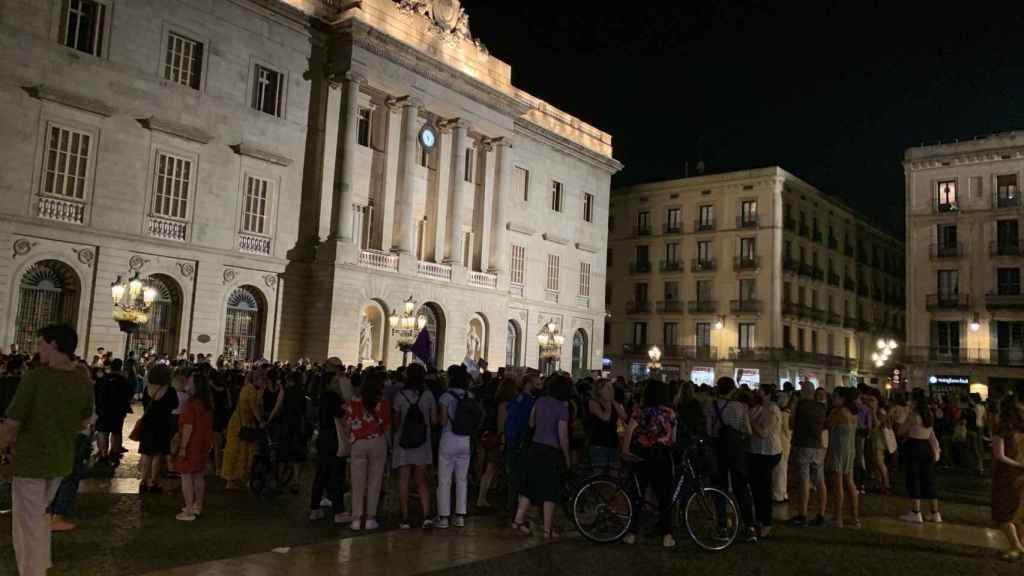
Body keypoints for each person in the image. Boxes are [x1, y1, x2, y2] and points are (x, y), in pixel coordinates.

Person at [0, 325, 93, 576]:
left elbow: (12, 422)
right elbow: (86, 419)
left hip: (31, 460)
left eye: (41, 344)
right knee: (39, 517)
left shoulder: (37, 377)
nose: (38, 349)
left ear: (53, 345)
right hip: (61, 459)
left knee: (26, 523)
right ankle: (40, 565)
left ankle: (33, 571)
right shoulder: (82, 379)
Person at [512, 374, 571, 539]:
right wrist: (567, 456)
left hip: (535, 449)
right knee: (550, 491)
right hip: (551, 452)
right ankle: (547, 529)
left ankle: (518, 520)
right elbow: (563, 436)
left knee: (529, 486)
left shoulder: (540, 401)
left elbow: (531, 423)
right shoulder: (562, 408)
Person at [621, 379, 677, 547]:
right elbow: (673, 439)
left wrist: (625, 450)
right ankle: (667, 535)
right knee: (664, 498)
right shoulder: (670, 413)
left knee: (637, 495)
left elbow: (629, 431)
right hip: (662, 457)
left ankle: (632, 533)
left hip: (642, 456)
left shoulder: (640, 411)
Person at [707, 376, 756, 541]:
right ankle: (749, 526)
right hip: (736, 450)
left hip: (718, 449)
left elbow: (709, 431)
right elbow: (748, 430)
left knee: (719, 487)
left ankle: (722, 526)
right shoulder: (740, 407)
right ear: (733, 389)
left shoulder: (711, 406)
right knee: (741, 488)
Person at [391, 363, 436, 529]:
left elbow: (396, 422)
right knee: (421, 480)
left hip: (403, 443)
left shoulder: (400, 396)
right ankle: (426, 516)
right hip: (423, 443)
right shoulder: (428, 395)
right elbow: (434, 421)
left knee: (403, 480)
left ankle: (405, 518)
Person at [348, 372, 389, 530]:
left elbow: (349, 423)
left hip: (358, 442)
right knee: (375, 481)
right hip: (377, 441)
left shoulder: (354, 402)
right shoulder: (383, 403)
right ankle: (371, 517)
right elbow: (386, 426)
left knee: (357, 482)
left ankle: (356, 519)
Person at [435, 365, 476, 528]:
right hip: (465, 440)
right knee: (462, 479)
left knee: (444, 479)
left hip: (449, 439)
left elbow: (443, 421)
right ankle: (460, 516)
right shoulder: (470, 395)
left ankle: (444, 517)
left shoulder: (445, 397)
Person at [309, 372, 350, 525]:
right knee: (337, 475)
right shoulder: (333, 397)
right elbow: (341, 414)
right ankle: (339, 511)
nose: (337, 383)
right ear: (329, 383)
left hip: (324, 438)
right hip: (335, 439)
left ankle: (314, 508)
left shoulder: (321, 397)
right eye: (334, 381)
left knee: (322, 474)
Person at [175, 371, 214, 521]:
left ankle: (189, 510)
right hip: (203, 443)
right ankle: (198, 505)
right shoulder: (207, 403)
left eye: (190, 381)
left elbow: (188, 427)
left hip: (192, 444)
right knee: (198, 476)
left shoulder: (191, 404)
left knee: (186, 476)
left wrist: (183, 447)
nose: (187, 383)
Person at [898, 389, 941, 524]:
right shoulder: (929, 414)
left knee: (914, 479)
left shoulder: (914, 415)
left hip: (914, 447)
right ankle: (935, 512)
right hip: (927, 448)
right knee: (929, 479)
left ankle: (916, 512)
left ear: (914, 400)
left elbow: (901, 431)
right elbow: (931, 434)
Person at [789, 382, 828, 527]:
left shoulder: (801, 405)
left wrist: (794, 404)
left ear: (804, 392)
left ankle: (802, 514)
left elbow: (790, 424)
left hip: (803, 445)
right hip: (818, 446)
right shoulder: (821, 407)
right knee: (820, 480)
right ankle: (821, 514)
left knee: (804, 480)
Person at [991, 393, 1024, 561]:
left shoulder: (1002, 427)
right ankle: (1019, 545)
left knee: (1002, 512)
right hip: (1021, 474)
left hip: (1008, 474)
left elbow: (999, 455)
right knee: (1018, 511)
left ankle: (1016, 546)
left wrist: (1018, 465)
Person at [221, 371, 265, 490]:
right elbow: (254, 408)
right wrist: (261, 421)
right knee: (239, 452)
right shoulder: (251, 391)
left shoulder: (246, 388)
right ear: (257, 380)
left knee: (237, 451)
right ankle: (232, 480)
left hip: (238, 424)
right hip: (243, 426)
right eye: (262, 380)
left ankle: (233, 479)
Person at [138, 364, 179, 493]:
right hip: (162, 424)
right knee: (158, 454)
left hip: (147, 424)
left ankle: (143, 481)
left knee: (146, 454)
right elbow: (175, 405)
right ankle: (154, 482)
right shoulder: (170, 390)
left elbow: (144, 405)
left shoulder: (146, 389)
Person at [749, 387, 783, 538]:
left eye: (761, 391)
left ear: (768, 395)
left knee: (764, 487)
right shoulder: (757, 408)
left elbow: (764, 432)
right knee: (756, 487)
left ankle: (766, 521)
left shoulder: (773, 410)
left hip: (768, 452)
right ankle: (759, 518)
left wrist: (749, 422)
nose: (757, 393)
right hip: (755, 452)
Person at [825, 387, 860, 528]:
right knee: (850, 483)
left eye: (835, 396)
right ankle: (854, 517)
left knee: (837, 484)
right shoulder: (853, 413)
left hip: (838, 449)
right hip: (850, 449)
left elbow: (826, 425)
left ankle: (837, 517)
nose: (832, 399)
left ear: (842, 399)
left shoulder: (838, 413)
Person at [504, 372, 539, 509]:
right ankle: (516, 507)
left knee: (514, 476)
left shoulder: (517, 399)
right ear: (529, 384)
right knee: (519, 477)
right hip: (522, 443)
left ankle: (513, 504)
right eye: (537, 383)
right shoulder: (529, 401)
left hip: (516, 443)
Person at [95, 359, 133, 465]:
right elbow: (130, 395)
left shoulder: (103, 379)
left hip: (103, 410)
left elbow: (96, 393)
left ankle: (103, 455)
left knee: (103, 432)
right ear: (120, 367)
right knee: (116, 432)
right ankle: (114, 454)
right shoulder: (123, 380)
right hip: (118, 411)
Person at [588, 379, 626, 468]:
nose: (611, 390)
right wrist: (609, 402)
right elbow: (606, 417)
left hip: (613, 442)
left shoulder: (615, 402)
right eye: (607, 388)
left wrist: (613, 401)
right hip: (599, 442)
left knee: (615, 473)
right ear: (599, 390)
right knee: (599, 472)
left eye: (611, 388)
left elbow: (624, 416)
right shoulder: (593, 402)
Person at [773, 392, 795, 504]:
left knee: (778, 470)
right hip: (785, 444)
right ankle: (781, 493)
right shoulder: (787, 414)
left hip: (777, 443)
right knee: (782, 469)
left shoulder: (776, 413)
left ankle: (779, 493)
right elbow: (788, 431)